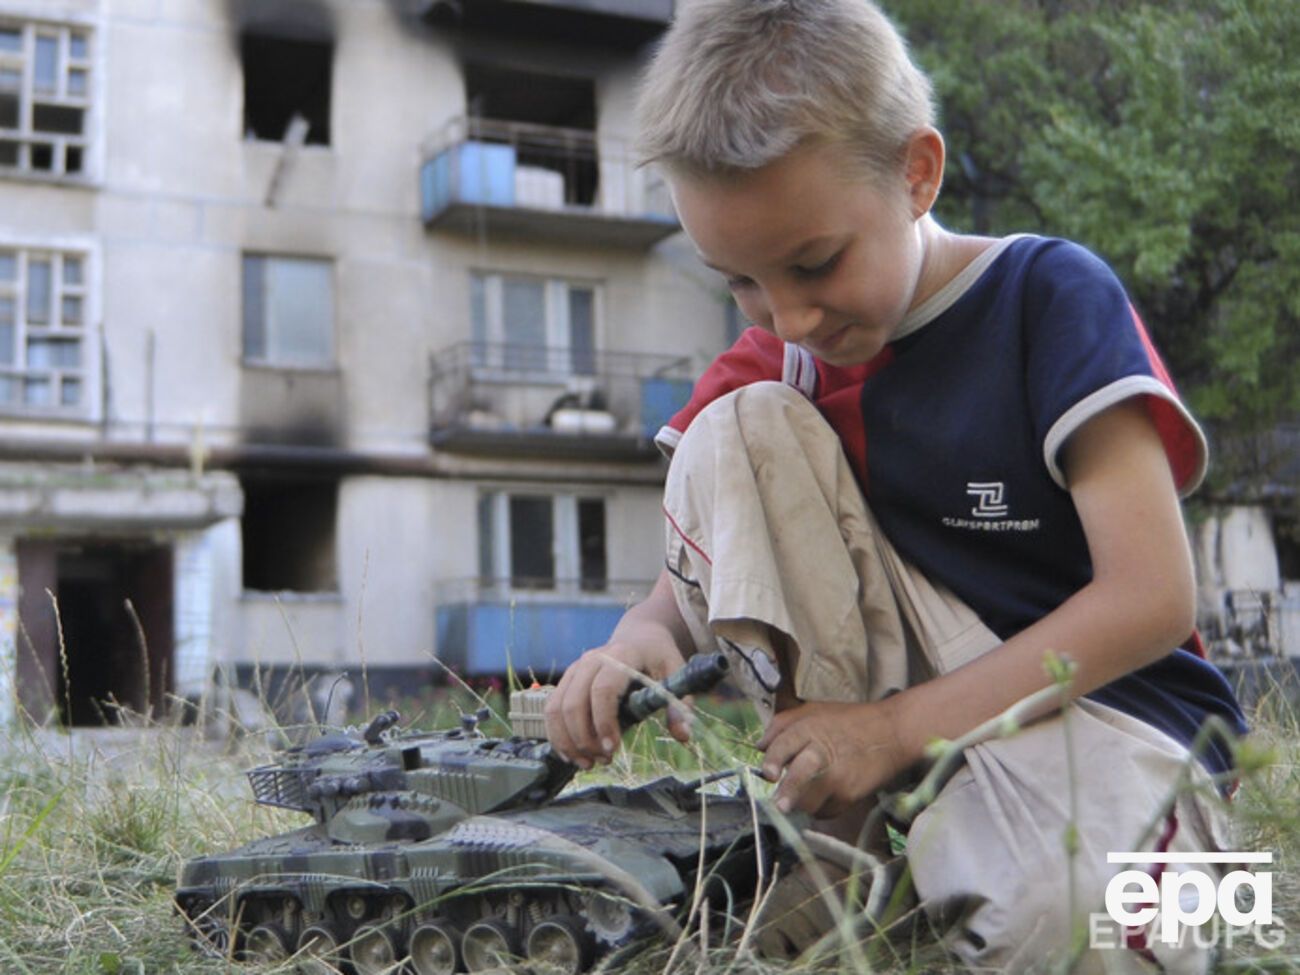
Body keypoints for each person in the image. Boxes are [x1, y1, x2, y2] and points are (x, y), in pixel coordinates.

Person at [543, 1, 1247, 971]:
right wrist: (639, 638)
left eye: (815, 263)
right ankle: (846, 846)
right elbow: (698, 570)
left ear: (917, 173)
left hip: (1104, 715)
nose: (788, 316)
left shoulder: (1046, 297)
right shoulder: (777, 367)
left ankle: (1090, 878)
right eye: (739, 280)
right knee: (734, 423)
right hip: (894, 750)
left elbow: (1154, 599)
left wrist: (896, 728)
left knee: (1089, 930)